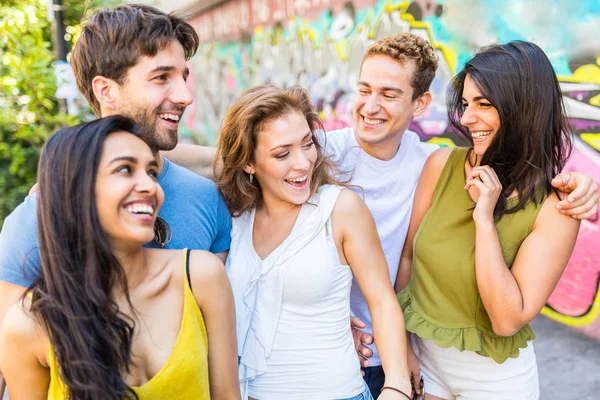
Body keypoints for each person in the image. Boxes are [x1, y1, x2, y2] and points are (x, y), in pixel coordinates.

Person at [162, 32, 598, 398]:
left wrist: (582, 185)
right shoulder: (317, 153)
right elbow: (221, 160)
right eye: (364, 89)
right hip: (364, 352)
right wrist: (128, 145)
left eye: (388, 94)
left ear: (420, 104)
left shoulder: (432, 162)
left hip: (423, 361)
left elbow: (500, 301)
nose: (369, 106)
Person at [0, 3, 232, 375]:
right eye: (161, 78)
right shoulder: (35, 220)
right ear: (106, 90)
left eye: (184, 76)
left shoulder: (205, 199)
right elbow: (10, 370)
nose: (185, 95)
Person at [0, 116, 239, 399]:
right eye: (125, 169)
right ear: (75, 191)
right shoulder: (28, 325)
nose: (151, 187)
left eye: (151, 172)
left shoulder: (202, 276)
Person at [395, 41, 581, 399]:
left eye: (483, 104)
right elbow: (407, 260)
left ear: (523, 108)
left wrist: (484, 219)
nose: (466, 119)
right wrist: (402, 347)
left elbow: (508, 319)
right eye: (466, 104)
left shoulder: (556, 208)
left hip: (495, 382)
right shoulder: (441, 167)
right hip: (427, 365)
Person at [218, 85, 412, 399]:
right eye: (283, 153)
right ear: (248, 162)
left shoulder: (340, 209)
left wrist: (396, 385)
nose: (303, 163)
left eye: (307, 144)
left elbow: (383, 301)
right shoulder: (236, 217)